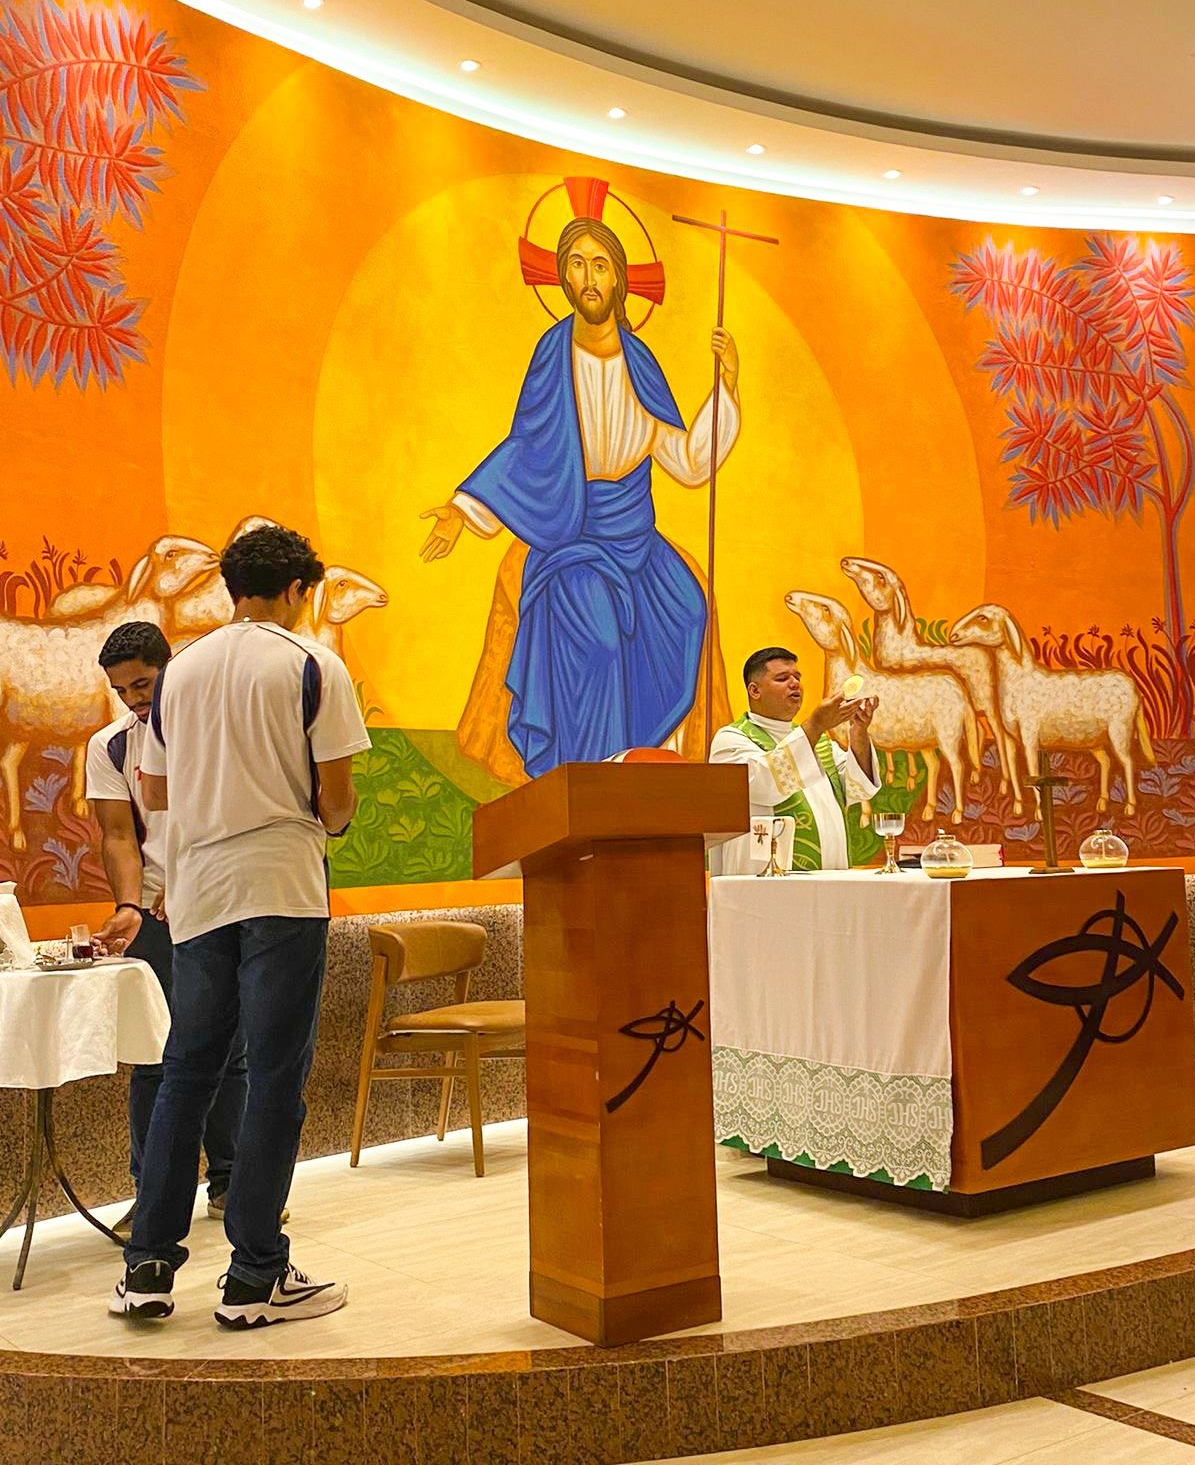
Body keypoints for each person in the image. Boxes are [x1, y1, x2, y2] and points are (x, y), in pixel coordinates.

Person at [106, 525, 370, 1329]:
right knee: (273, 1078)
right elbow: (335, 800)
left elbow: (154, 792)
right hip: (281, 884)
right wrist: (325, 818)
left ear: (231, 589)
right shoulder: (312, 663)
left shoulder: (180, 673)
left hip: (197, 890)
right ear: (296, 590)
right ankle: (256, 1274)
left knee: (187, 1071)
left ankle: (147, 1267)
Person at [419, 214, 741, 774]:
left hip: (635, 534)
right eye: (576, 264)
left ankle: (643, 767)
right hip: (572, 534)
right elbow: (526, 444)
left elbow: (687, 461)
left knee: (690, 610)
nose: (589, 278)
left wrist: (727, 385)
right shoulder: (553, 354)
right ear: (564, 279)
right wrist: (463, 509)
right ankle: (591, 778)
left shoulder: (640, 362)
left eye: (600, 265)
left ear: (618, 279)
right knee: (600, 644)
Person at [87, 622, 248, 1241]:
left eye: (143, 684)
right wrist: (130, 904)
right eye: (121, 690)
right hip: (153, 914)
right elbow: (118, 834)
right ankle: (151, 1196)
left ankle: (232, 1186)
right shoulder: (109, 746)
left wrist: (192, 884)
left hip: (220, 900)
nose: (133, 700)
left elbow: (228, 816)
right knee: (155, 1054)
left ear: (170, 670)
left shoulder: (215, 729)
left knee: (229, 1051)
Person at [709, 647, 880, 873]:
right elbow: (766, 785)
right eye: (782, 678)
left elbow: (859, 788)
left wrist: (858, 732)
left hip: (829, 875)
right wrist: (815, 725)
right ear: (755, 691)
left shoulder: (819, 744)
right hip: (764, 880)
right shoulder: (731, 740)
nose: (795, 683)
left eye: (797, 677)